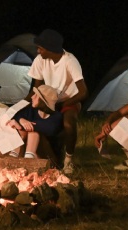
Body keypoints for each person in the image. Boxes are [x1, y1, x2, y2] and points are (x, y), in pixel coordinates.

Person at [26, 29, 88, 175]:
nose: (38, 51)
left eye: (40, 48)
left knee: (68, 123)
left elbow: (83, 92)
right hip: (49, 100)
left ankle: (68, 160)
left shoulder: (69, 61)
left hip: (69, 99)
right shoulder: (40, 60)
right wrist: (21, 104)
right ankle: (49, 159)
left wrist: (65, 105)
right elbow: (36, 88)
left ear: (50, 49)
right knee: (32, 121)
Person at [7, 85, 64, 164]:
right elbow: (17, 115)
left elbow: (50, 128)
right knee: (23, 130)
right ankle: (13, 157)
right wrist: (21, 120)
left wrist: (21, 125)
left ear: (43, 100)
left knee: (33, 132)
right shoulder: (31, 110)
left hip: (48, 158)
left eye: (36, 95)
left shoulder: (56, 116)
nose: (32, 97)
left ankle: (28, 159)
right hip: (28, 153)